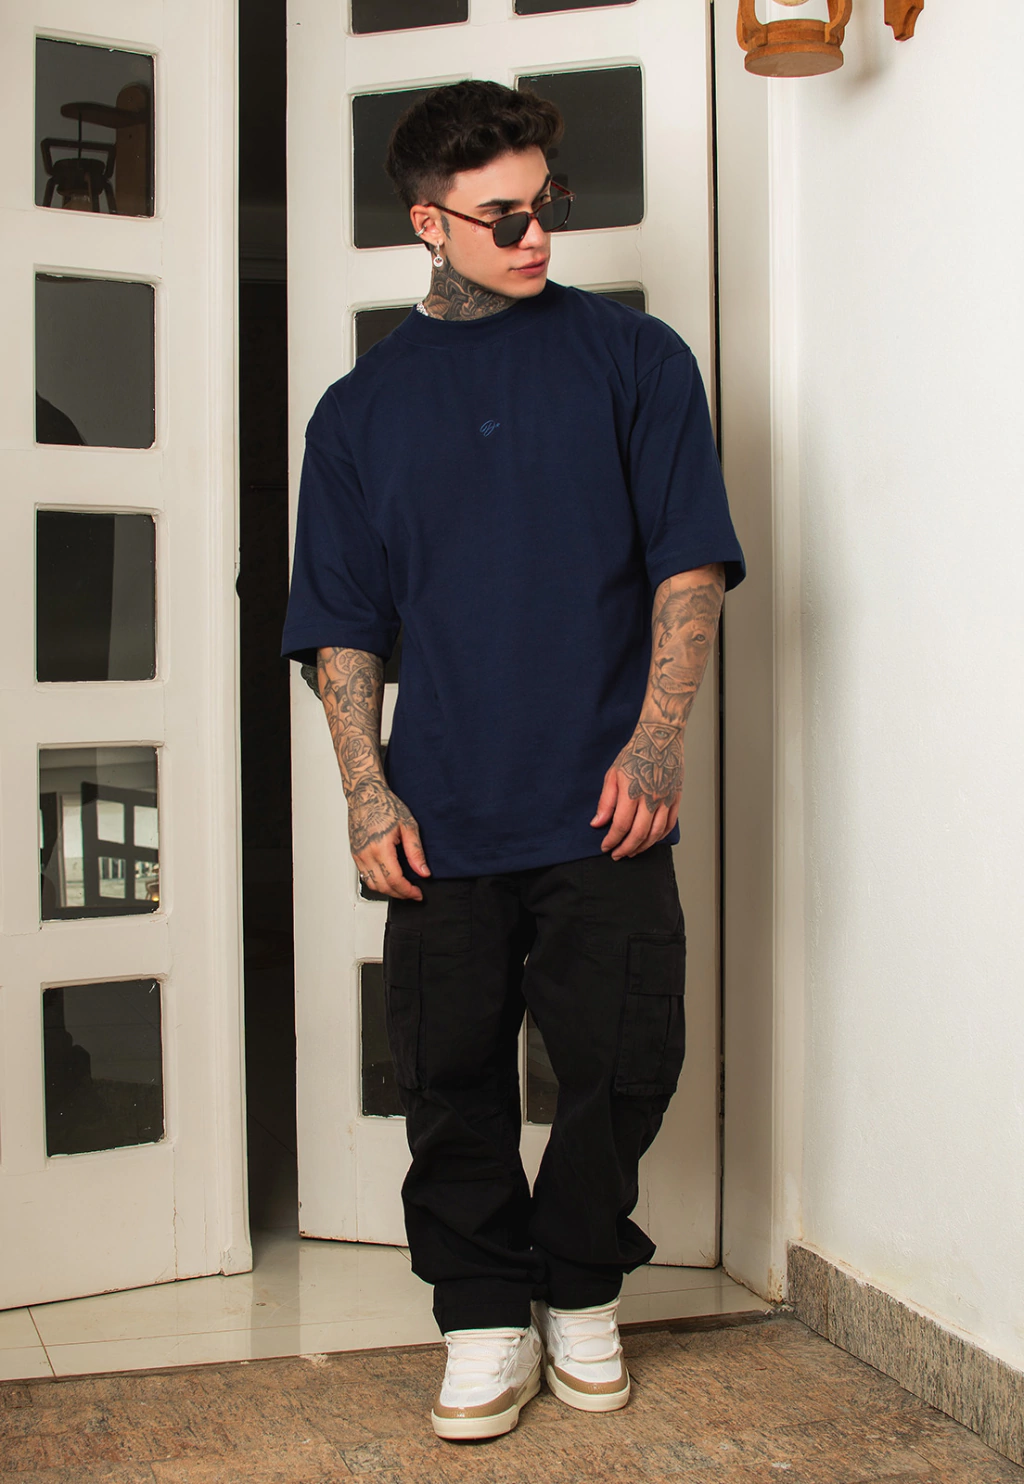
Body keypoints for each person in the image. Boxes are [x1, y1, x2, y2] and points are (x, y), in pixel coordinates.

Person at [281, 79, 745, 1442]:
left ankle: (581, 1287)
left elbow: (689, 566)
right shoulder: (358, 413)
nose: (536, 234)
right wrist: (365, 790)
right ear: (428, 223)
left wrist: (655, 744)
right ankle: (484, 1313)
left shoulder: (636, 359)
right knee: (450, 1075)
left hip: (605, 798)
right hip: (443, 807)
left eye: (547, 207)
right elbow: (342, 627)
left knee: (627, 1060)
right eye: (501, 216)